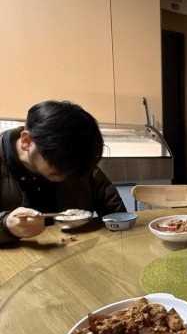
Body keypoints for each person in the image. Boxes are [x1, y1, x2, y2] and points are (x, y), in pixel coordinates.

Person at [0, 100, 126, 244]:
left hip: (73, 249)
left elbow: (118, 216)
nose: (68, 175)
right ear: (26, 141)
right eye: (60, 166)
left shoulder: (77, 163)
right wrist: (5, 226)